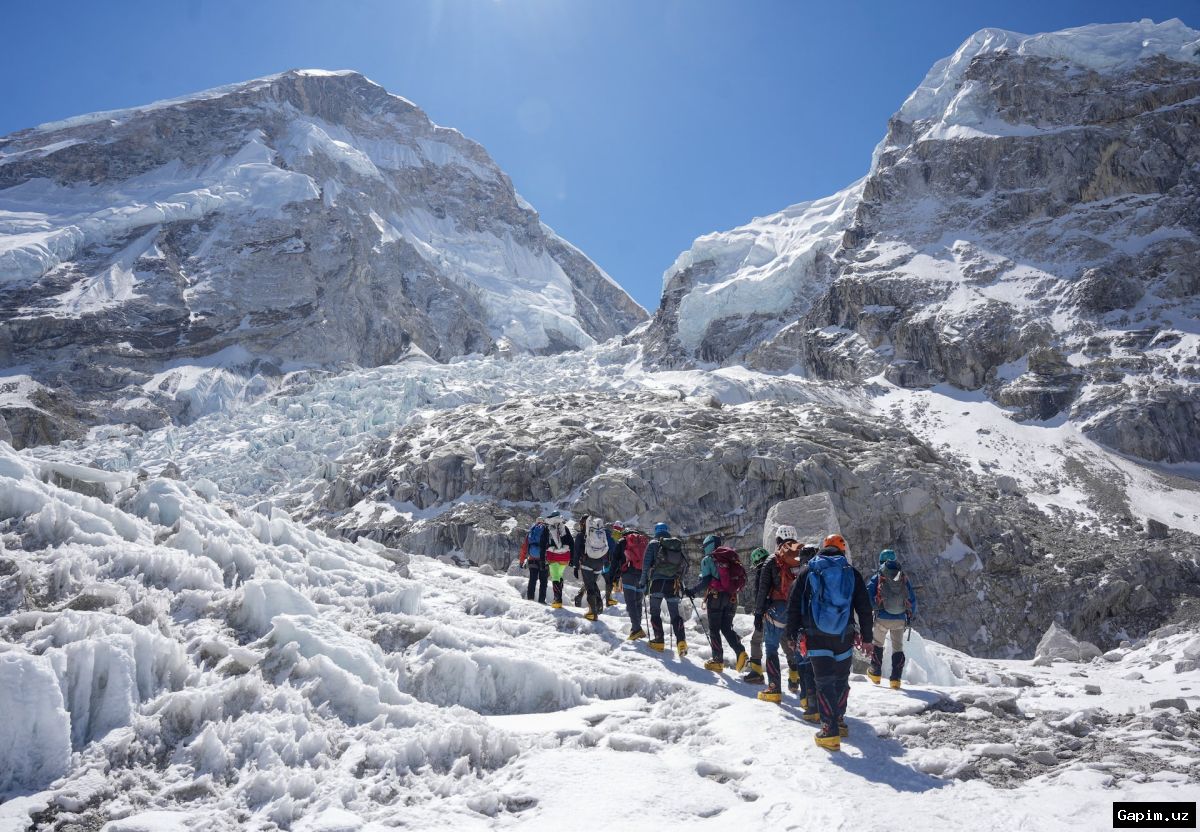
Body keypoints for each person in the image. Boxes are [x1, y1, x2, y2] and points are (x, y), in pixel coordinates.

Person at [786, 533, 874, 752]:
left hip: (816, 636)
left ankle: (829, 730)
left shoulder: (808, 571)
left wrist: (791, 635)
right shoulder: (851, 572)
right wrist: (867, 638)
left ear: (822, 549)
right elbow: (864, 607)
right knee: (841, 679)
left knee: (824, 682)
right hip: (844, 636)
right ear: (842, 551)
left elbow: (794, 604)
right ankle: (840, 721)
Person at [753, 526, 815, 712]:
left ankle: (774, 689)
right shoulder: (804, 557)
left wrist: (758, 613)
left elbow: (763, 589)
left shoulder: (773, 559)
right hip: (800, 610)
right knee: (799, 650)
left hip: (778, 609)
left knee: (771, 647)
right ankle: (806, 697)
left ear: (778, 540)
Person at [684, 534, 748, 672]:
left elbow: (706, 581)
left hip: (716, 597)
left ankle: (717, 661)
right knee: (726, 628)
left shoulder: (708, 559)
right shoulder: (729, 559)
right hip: (732, 598)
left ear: (709, 545)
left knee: (714, 629)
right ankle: (741, 652)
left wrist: (692, 591)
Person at [866, 549, 918, 689]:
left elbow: (868, 594)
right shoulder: (903, 577)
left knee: (878, 644)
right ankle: (895, 680)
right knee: (897, 648)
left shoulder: (878, 576)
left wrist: (875, 607)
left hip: (882, 617)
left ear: (881, 561)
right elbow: (912, 598)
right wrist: (909, 615)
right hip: (899, 618)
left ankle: (875, 674)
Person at [639, 522, 689, 655]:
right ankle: (681, 642)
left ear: (656, 531)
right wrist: (680, 581)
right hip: (672, 584)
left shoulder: (653, 544)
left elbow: (645, 566)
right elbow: (684, 565)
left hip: (657, 583)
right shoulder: (675, 545)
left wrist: (643, 582)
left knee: (655, 611)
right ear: (667, 531)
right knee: (675, 614)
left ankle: (659, 641)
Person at [741, 547, 771, 684]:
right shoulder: (776, 567)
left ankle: (757, 672)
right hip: (781, 610)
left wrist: (758, 613)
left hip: (765, 611)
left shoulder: (762, 571)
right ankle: (794, 678)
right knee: (784, 641)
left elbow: (760, 593)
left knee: (756, 640)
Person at [575, 515, 613, 621]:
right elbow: (606, 548)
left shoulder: (581, 535)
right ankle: (599, 605)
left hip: (587, 563)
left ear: (582, 524)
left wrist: (575, 566)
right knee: (593, 583)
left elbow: (576, 552)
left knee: (589, 587)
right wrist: (606, 562)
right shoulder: (599, 533)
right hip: (599, 563)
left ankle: (592, 613)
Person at [619, 527, 650, 640]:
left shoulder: (625, 541)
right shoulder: (643, 542)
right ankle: (636, 628)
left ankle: (636, 629)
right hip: (642, 575)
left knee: (630, 603)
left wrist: (614, 576)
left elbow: (617, 558)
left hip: (629, 575)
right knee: (638, 603)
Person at [544, 511, 574, 609]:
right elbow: (571, 543)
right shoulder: (564, 528)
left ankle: (557, 600)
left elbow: (542, 543)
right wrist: (572, 558)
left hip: (553, 556)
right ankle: (558, 597)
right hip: (565, 557)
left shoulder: (548, 528)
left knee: (555, 577)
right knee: (559, 575)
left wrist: (543, 558)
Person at [519, 516, 550, 603]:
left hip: (532, 559)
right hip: (544, 560)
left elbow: (524, 548)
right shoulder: (547, 531)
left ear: (536, 522)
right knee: (543, 581)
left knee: (532, 579)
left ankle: (530, 599)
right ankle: (541, 600)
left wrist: (522, 561)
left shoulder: (531, 532)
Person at [605, 522, 625, 606]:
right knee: (615, 576)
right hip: (616, 560)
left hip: (606, 560)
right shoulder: (621, 537)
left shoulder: (609, 534)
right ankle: (615, 591)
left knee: (608, 577)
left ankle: (611, 593)